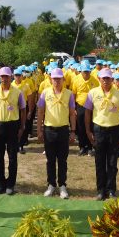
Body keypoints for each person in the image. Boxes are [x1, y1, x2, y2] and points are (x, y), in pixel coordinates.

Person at [84, 68, 119, 200]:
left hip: (114, 130)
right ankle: (100, 190)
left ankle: (111, 190)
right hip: (98, 130)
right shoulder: (92, 93)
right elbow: (87, 112)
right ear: (99, 79)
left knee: (112, 162)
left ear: (112, 80)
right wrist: (88, 131)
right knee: (99, 161)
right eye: (103, 78)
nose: (105, 80)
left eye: (108, 78)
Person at [37, 68, 76, 199]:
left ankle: (62, 185)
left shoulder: (69, 94)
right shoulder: (45, 93)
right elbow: (41, 111)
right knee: (50, 159)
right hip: (49, 130)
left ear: (63, 80)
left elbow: (72, 113)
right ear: (50, 79)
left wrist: (73, 131)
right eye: (54, 79)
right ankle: (51, 184)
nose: (57, 81)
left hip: (63, 130)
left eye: (59, 78)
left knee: (63, 160)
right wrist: (39, 130)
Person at [0, 67, 26, 195]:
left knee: (12, 157)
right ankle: (0, 184)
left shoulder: (18, 92)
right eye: (2, 76)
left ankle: (10, 184)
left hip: (12, 126)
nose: (4, 79)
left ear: (11, 77)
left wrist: (22, 127)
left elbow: (22, 109)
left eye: (7, 76)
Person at [71, 63, 99, 157]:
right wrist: (74, 108)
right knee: (81, 127)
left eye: (88, 72)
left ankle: (90, 147)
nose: (86, 73)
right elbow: (73, 94)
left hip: (91, 107)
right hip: (80, 106)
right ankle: (82, 147)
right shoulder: (76, 80)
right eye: (84, 72)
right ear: (81, 71)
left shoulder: (95, 81)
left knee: (91, 127)